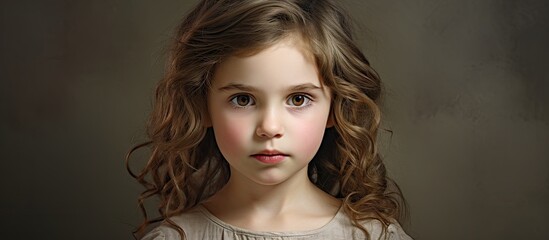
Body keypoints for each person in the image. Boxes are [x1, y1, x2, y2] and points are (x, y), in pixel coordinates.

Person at [127, 0, 413, 239]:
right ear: (202, 107)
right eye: (243, 99)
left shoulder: (374, 235)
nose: (270, 128)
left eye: (298, 99)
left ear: (335, 107)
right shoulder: (177, 237)